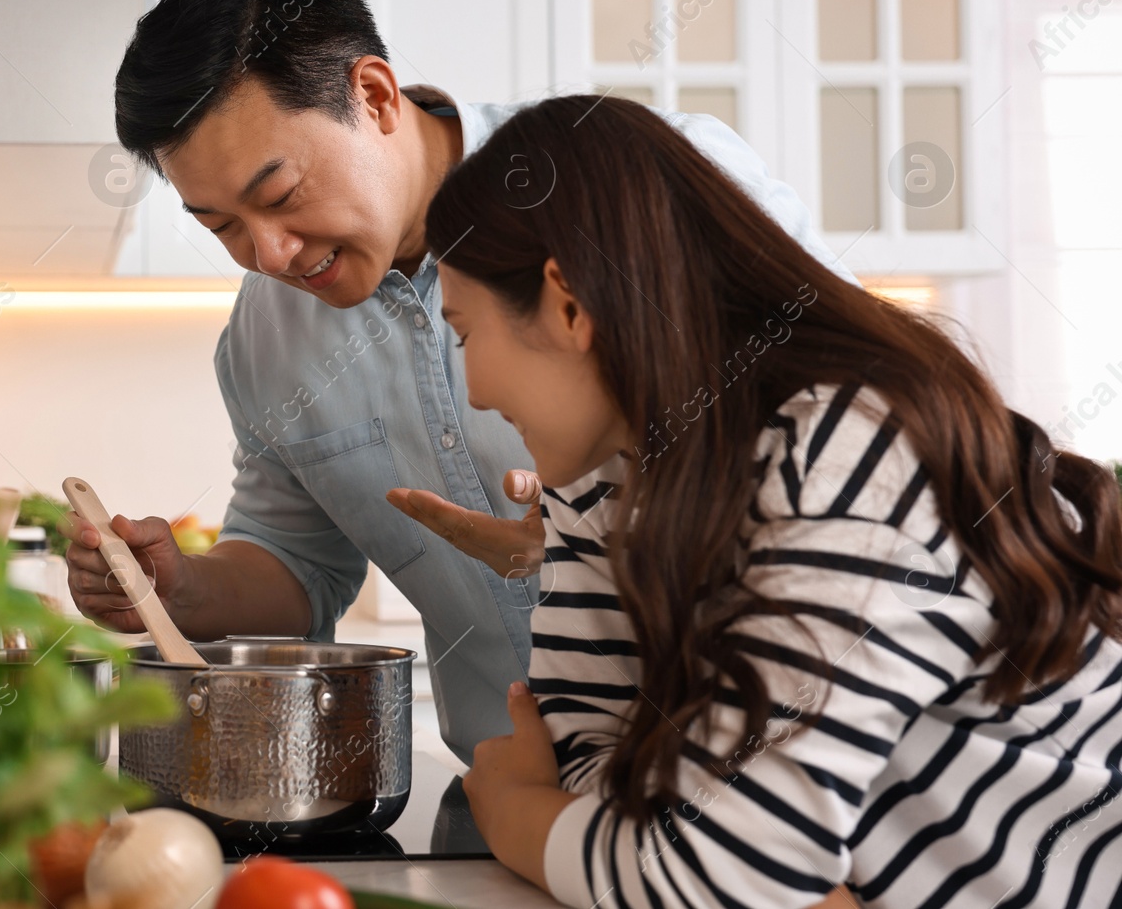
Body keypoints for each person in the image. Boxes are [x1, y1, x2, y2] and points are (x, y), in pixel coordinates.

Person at [62, 0, 855, 762]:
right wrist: (178, 588)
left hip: (770, 773)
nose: (267, 252)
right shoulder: (265, 343)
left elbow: (852, 446)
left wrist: (611, 524)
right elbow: (296, 563)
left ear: (372, 97)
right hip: (513, 807)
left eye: (278, 195)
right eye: (221, 225)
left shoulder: (645, 188)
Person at [431, 93, 1122, 907]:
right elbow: (595, 756)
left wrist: (519, 816)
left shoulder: (846, 452)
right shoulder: (605, 481)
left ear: (568, 302)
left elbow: (717, 877)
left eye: (465, 330)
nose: (471, 389)